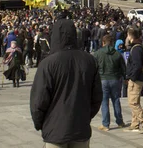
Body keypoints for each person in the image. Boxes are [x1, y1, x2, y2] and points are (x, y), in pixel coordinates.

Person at [30, 19, 102, 148]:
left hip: (55, 128)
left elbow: (39, 100)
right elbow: (96, 97)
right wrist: (85, 116)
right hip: (80, 127)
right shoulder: (89, 60)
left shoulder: (48, 63)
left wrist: (40, 123)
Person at [94, 34, 126, 131]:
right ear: (112, 43)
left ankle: (106, 124)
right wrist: (125, 78)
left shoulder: (98, 53)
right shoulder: (117, 54)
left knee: (104, 102)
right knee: (116, 100)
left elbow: (94, 67)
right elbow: (123, 68)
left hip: (103, 79)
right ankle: (120, 121)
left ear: (103, 42)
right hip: (115, 79)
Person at [124, 27, 143, 133]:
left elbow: (137, 65)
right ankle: (135, 124)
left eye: (127, 35)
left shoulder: (136, 49)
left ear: (131, 36)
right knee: (135, 101)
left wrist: (131, 77)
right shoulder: (138, 46)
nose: (126, 38)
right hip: (138, 78)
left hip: (136, 79)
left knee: (133, 103)